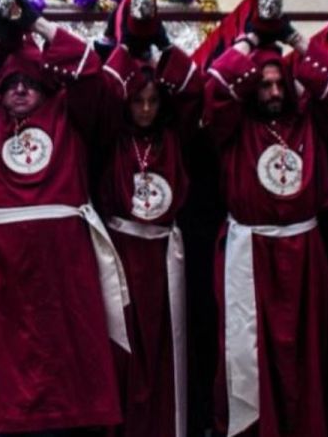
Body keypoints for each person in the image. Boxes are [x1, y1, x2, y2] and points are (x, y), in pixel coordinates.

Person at [0, 0, 124, 434]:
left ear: (46, 88)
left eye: (30, 83)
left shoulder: (66, 116)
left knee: (69, 368)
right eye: (12, 82)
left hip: (63, 270)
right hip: (0, 268)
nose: (20, 90)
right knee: (3, 370)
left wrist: (37, 22)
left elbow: (90, 71)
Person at [204, 23, 328, 437]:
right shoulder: (234, 126)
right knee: (251, 356)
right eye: (264, 85)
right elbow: (217, 88)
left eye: (278, 85)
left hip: (304, 253)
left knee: (307, 355)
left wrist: (297, 40)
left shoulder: (308, 121)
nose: (272, 93)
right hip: (250, 255)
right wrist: (248, 42)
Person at [96, 27, 202, 437]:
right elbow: (101, 95)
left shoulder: (175, 139)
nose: (144, 109)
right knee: (123, 348)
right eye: (137, 101)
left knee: (163, 348)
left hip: (162, 256)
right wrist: (122, 46)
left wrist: (163, 45)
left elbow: (196, 92)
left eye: (153, 101)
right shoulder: (112, 138)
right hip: (121, 254)